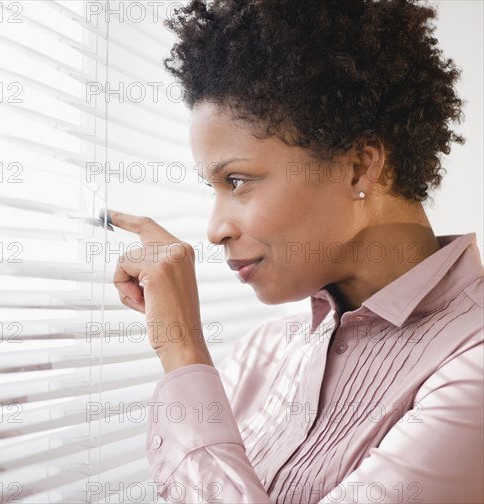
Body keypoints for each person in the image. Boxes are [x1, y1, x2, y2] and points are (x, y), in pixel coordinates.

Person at [108, 0, 483, 502]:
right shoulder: (263, 352)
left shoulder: (471, 364)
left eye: (237, 180)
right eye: (213, 187)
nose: (215, 228)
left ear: (358, 167)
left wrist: (182, 351)